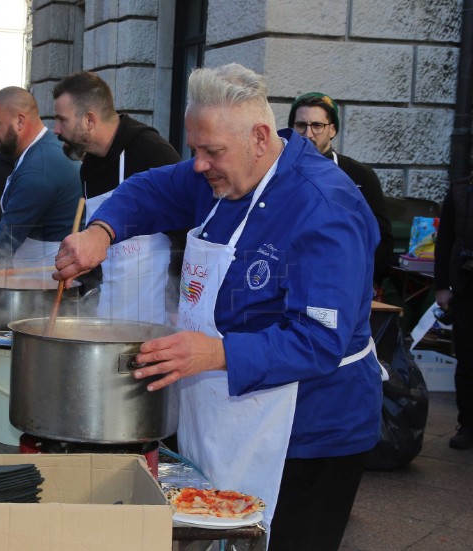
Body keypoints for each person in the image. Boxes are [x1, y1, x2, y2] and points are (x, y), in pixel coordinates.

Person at [53, 63, 383, 551]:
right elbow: (146, 189)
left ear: (258, 137)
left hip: (311, 431)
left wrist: (215, 354)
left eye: (212, 153)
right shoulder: (216, 176)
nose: (200, 166)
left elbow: (319, 340)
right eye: (195, 152)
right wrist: (101, 232)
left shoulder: (325, 207)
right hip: (223, 415)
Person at [52, 71, 182, 324]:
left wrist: (176, 302)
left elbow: (186, 232)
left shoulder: (152, 152)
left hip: (155, 311)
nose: (56, 129)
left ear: (89, 119)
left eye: (61, 120)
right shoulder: (88, 167)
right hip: (111, 303)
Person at [288, 92, 393, 291]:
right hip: (287, 283)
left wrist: (364, 284)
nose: (308, 134)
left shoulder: (359, 175)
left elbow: (381, 238)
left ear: (332, 129)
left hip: (342, 286)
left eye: (317, 126)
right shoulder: (279, 173)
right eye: (301, 125)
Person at [0, 86, 82, 269]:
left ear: (20, 121)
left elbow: (7, 238)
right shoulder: (42, 149)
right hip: (37, 270)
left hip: (47, 279)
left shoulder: (39, 167)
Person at [435, 172, 473, 450]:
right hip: (466, 289)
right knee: (468, 360)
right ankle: (468, 424)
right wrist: (442, 286)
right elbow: (444, 240)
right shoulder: (460, 191)